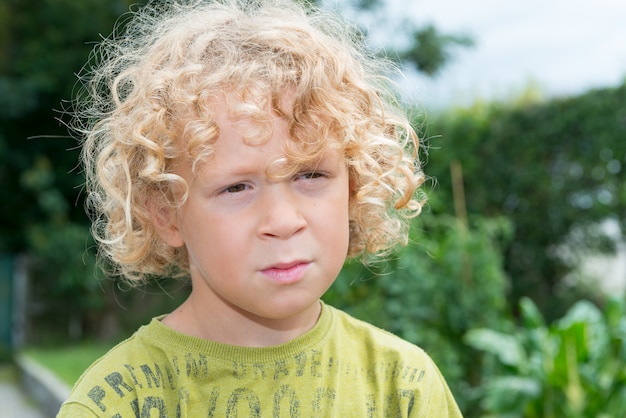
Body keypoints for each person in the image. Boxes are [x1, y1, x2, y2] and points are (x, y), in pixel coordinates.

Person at [58, 0, 463, 416]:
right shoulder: (117, 403)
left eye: (311, 175)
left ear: (353, 186)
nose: (284, 222)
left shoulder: (404, 387)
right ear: (165, 213)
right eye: (236, 187)